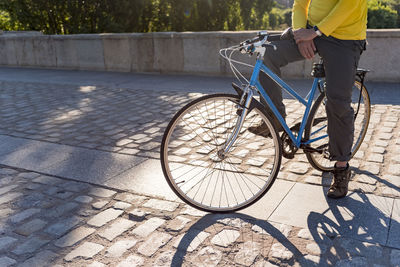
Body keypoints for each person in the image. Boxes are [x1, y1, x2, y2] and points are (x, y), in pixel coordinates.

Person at [249, 0, 367, 198]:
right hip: (310, 32)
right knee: (267, 52)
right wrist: (300, 33)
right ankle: (273, 118)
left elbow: (351, 4)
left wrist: (316, 32)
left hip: (344, 38)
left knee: (338, 103)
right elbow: (300, 4)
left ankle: (341, 167)